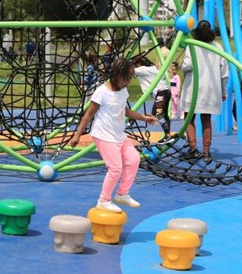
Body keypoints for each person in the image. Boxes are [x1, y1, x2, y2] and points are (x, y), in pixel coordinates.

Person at [70, 57, 156, 213]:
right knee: (115, 168)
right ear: (116, 75)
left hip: (118, 135)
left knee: (134, 159)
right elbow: (88, 114)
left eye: (131, 78)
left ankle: (122, 193)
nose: (129, 82)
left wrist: (144, 117)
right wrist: (77, 135)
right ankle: (103, 200)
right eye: (127, 78)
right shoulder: (102, 92)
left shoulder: (123, 91)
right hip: (103, 135)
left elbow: (125, 111)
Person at [180, 20, 227, 163]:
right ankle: (206, 151)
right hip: (210, 89)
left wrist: (182, 65)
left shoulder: (193, 45)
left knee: (189, 118)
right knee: (206, 120)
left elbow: (187, 65)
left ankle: (193, 148)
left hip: (193, 88)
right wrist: (223, 90)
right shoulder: (217, 46)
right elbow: (224, 72)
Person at [132, 56, 172, 136]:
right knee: (162, 114)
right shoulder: (154, 68)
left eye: (135, 65)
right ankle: (168, 133)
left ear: (139, 63)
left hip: (160, 93)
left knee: (159, 114)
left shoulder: (142, 69)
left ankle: (167, 134)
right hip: (166, 92)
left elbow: (129, 71)